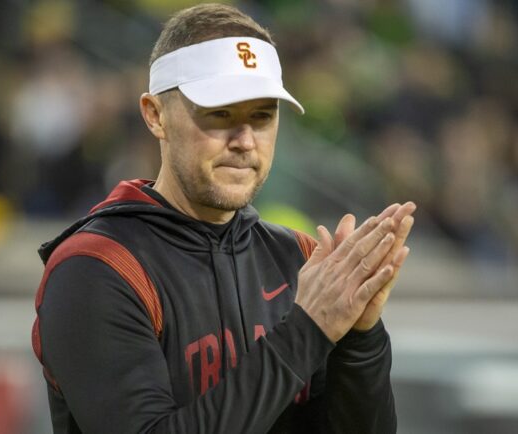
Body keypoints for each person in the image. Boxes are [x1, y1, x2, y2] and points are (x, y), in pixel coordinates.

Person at [31, 4, 416, 433]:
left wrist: (360, 339)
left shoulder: (302, 260)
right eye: (220, 115)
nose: (245, 141)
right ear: (155, 115)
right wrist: (309, 330)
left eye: (262, 116)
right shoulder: (96, 268)